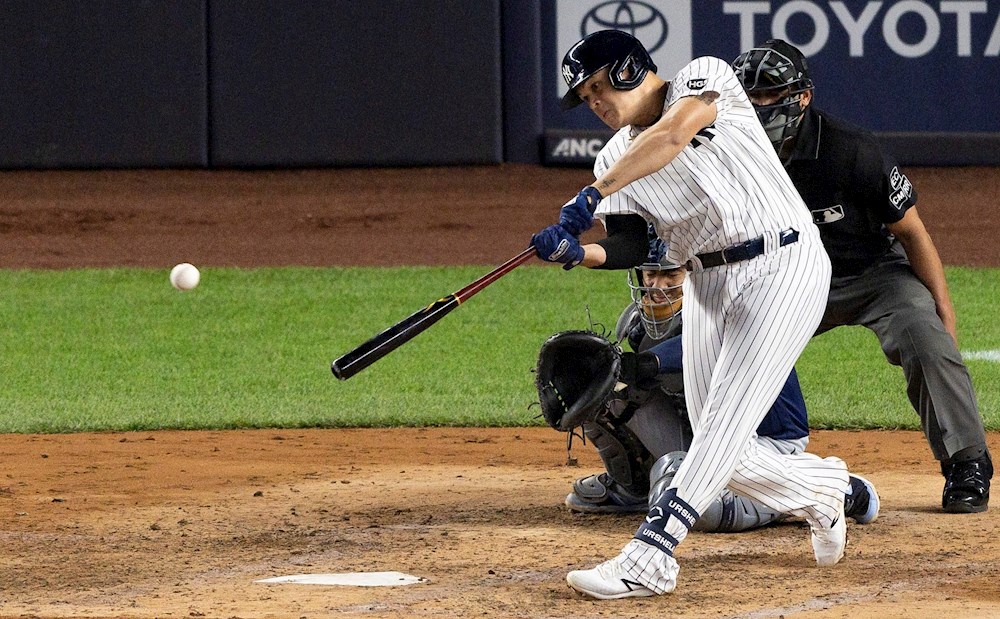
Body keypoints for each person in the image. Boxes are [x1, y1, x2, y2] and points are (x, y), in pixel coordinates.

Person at [529, 29, 857, 599]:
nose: (597, 103)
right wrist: (577, 253)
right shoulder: (613, 157)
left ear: (632, 69)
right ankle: (822, 488)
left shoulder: (704, 78)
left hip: (783, 263)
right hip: (707, 284)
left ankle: (652, 557)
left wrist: (591, 193)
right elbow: (635, 242)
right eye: (585, 99)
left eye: (600, 87)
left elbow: (675, 133)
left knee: (720, 433)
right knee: (719, 445)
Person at [732, 39, 992, 514]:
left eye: (768, 94)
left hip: (873, 273)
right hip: (784, 280)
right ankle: (679, 459)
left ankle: (967, 462)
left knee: (925, 335)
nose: (756, 105)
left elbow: (913, 233)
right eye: (747, 95)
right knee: (703, 337)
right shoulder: (727, 152)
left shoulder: (851, 151)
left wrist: (944, 316)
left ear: (802, 97)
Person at [563, 229, 880, 533]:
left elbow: (704, 343)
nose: (657, 287)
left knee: (692, 499)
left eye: (670, 275)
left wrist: (645, 364)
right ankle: (633, 486)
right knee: (600, 390)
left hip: (765, 447)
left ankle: (830, 489)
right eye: (650, 275)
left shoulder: (732, 309)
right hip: (706, 434)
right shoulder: (635, 323)